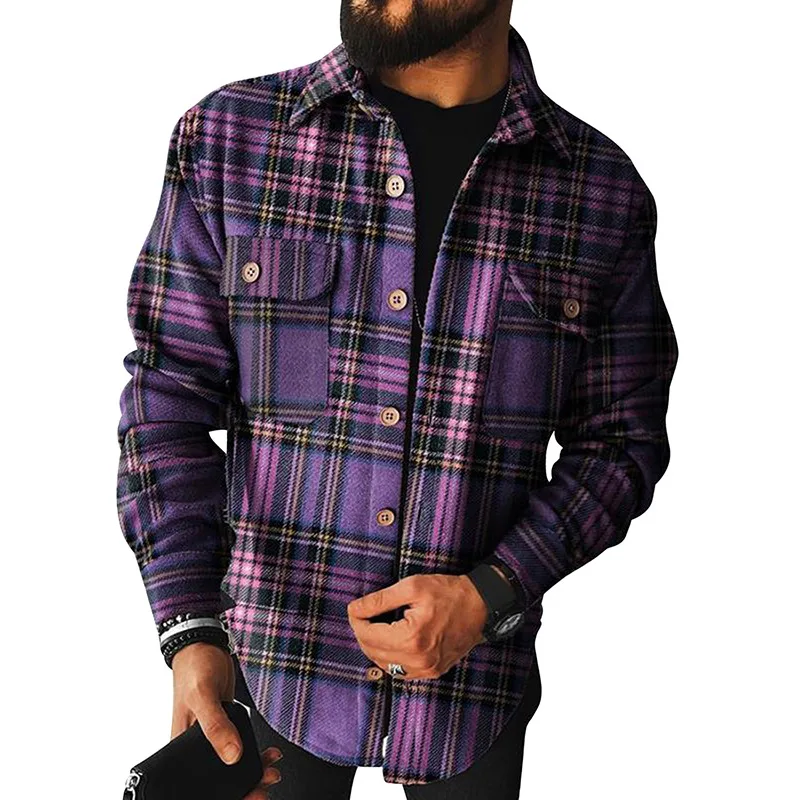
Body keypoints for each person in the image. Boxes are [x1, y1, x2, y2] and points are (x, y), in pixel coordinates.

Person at [116, 1, 678, 797]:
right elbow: (165, 402)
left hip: (472, 699)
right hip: (265, 678)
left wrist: (492, 591)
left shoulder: (599, 194)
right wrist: (190, 630)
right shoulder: (232, 140)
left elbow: (621, 444)